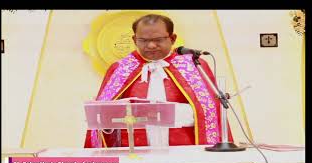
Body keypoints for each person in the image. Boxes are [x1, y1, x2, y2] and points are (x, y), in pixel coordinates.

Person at [84, 14, 233, 148]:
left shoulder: (194, 66)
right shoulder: (120, 69)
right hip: (134, 152)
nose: (150, 45)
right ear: (135, 40)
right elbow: (103, 118)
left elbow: (210, 113)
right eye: (143, 40)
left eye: (158, 40)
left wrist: (171, 114)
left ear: (172, 38)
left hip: (183, 151)